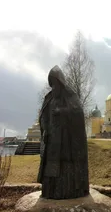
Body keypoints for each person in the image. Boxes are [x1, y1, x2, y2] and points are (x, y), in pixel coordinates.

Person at [37, 66, 89, 199]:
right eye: (52, 84)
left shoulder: (70, 96)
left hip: (66, 142)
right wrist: (46, 128)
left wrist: (62, 112)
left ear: (61, 83)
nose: (54, 88)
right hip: (52, 139)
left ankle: (67, 191)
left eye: (56, 84)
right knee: (51, 168)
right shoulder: (49, 98)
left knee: (64, 168)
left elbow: (78, 113)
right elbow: (43, 115)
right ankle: (50, 191)